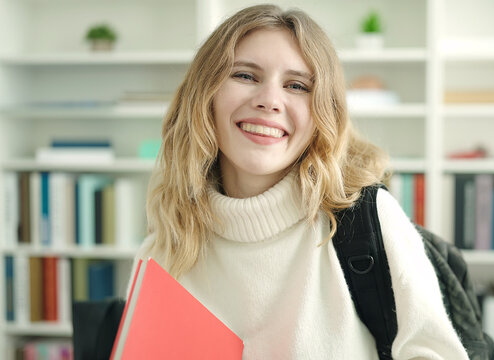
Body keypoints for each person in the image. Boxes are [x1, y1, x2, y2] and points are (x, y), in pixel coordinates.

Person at [129, 4, 468, 359]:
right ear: (205, 95)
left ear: (323, 112)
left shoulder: (365, 218)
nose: (270, 101)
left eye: (297, 85)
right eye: (245, 75)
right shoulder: (167, 241)